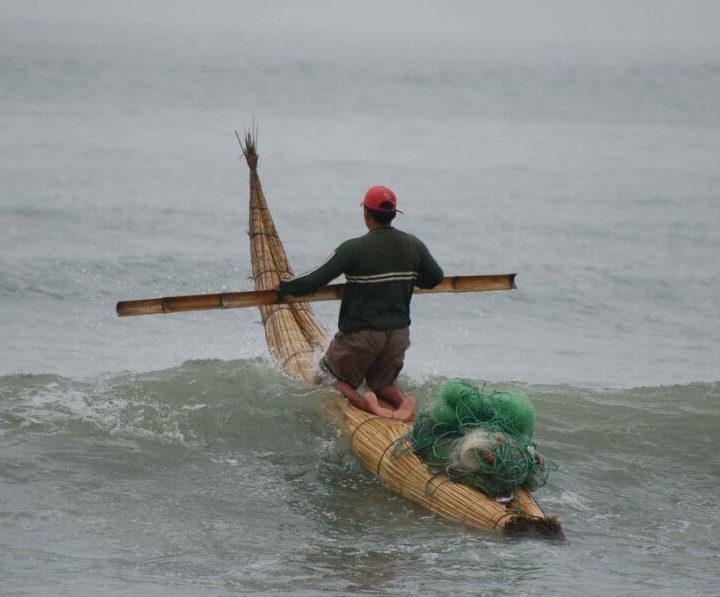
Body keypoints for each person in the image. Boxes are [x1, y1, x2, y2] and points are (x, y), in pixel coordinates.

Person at [278, 185, 444, 422]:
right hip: (398, 334)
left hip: (361, 335)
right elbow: (435, 278)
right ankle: (403, 402)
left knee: (325, 376)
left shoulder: (353, 249)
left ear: (366, 213)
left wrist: (285, 286)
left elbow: (315, 279)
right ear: (394, 214)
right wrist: (410, 277)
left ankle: (367, 405)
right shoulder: (413, 245)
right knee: (383, 382)